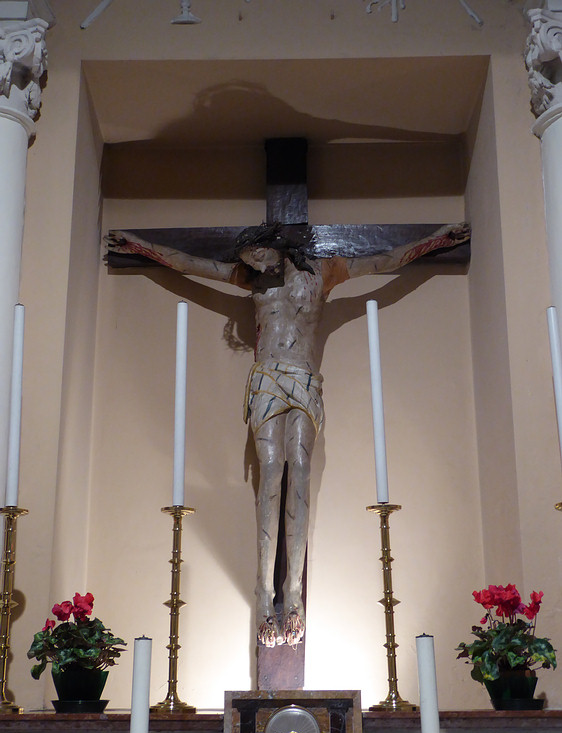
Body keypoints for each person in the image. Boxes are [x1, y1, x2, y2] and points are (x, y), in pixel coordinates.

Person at [105, 221, 469, 648]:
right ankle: (264, 594)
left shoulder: (324, 271)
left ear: (274, 246)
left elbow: (383, 261)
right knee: (271, 470)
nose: (254, 264)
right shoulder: (252, 277)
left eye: (257, 255)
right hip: (266, 381)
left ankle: (292, 591)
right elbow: (189, 263)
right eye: (249, 260)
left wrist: (437, 241)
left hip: (304, 378)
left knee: (300, 467)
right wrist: (139, 245)